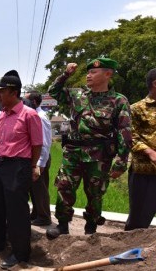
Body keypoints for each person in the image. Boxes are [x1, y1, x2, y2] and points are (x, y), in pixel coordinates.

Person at [46, 58, 132, 239]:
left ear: (108, 74)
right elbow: (53, 91)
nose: (88, 75)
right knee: (64, 186)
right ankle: (62, 225)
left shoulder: (118, 101)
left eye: (94, 72)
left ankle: (91, 227)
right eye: (88, 72)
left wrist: (121, 161)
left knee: (95, 193)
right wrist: (66, 74)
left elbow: (124, 131)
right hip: (72, 152)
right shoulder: (77, 95)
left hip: (99, 155)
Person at [0, 70, 42, 269]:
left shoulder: (29, 115)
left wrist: (33, 166)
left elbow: (37, 144)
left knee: (17, 212)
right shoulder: (3, 115)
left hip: (18, 166)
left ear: (13, 92)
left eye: (2, 91)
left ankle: (20, 253)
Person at [125, 68, 156, 231]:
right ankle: (130, 253)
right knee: (139, 220)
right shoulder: (136, 108)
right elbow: (130, 136)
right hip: (145, 171)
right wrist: (150, 152)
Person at [24, 91, 53, 226]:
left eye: (26, 101)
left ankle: (44, 217)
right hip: (34, 158)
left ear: (34, 102)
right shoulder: (34, 115)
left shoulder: (40, 117)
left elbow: (44, 142)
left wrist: (39, 164)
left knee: (40, 189)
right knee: (34, 189)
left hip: (40, 159)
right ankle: (36, 213)